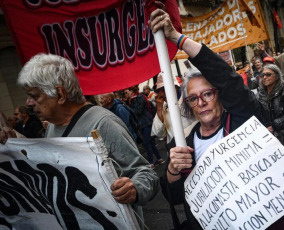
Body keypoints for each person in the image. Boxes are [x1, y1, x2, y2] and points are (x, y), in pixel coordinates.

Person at [149, 6, 284, 230]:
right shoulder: (182, 145)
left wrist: (176, 38)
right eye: (193, 99)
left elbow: (227, 78)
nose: (201, 102)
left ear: (220, 95)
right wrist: (173, 171)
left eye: (207, 94)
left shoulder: (242, 120)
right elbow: (175, 198)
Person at [3, 53, 159, 226]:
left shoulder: (103, 123)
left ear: (60, 94)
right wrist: (11, 143)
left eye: (35, 96)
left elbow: (146, 174)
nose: (29, 103)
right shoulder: (53, 127)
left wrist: (134, 188)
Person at [257, 64, 284, 155]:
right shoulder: (260, 93)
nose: (264, 77)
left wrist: (273, 126)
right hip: (266, 135)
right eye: (263, 75)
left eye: (268, 74)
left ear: (277, 76)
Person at [127, 85, 164, 169]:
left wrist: (128, 108)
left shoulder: (139, 97)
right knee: (150, 142)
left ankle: (151, 163)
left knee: (147, 143)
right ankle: (159, 158)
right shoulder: (135, 98)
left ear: (131, 91)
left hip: (146, 122)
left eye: (127, 92)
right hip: (143, 123)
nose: (126, 94)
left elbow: (138, 111)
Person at [151, 73, 194, 144]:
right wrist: (159, 109)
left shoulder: (188, 98)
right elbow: (159, 134)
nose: (161, 94)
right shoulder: (163, 106)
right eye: (158, 91)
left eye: (164, 89)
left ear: (175, 87)